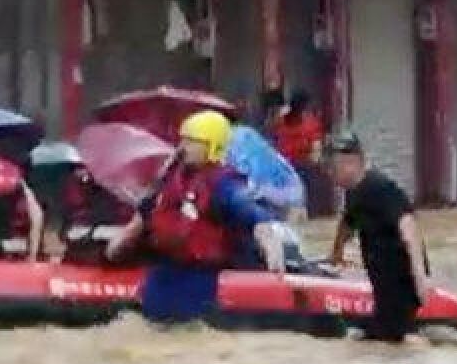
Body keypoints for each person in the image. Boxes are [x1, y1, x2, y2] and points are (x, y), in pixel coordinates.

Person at [105, 110, 286, 324]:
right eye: (183, 140)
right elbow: (143, 218)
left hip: (202, 277)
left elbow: (257, 218)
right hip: (164, 273)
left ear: (211, 146)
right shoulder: (168, 179)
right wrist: (114, 249)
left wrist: (273, 250)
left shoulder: (224, 185)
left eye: (192, 142)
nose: (183, 147)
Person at [326, 130, 430, 344]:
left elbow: (409, 226)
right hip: (383, 283)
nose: (329, 174)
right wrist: (336, 253)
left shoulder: (379, 187)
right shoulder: (354, 192)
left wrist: (420, 278)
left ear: (351, 162)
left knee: (404, 339)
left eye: (332, 168)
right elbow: (347, 224)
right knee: (373, 340)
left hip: (402, 282)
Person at [269, 88, 326, 219]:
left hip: (293, 168)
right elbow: (316, 150)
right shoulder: (282, 122)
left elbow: (315, 149)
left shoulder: (307, 123)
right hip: (289, 168)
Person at [61, 165, 134, 264]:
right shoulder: (77, 181)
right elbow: (73, 213)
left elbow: (131, 212)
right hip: (84, 237)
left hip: (119, 235)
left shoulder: (127, 180)